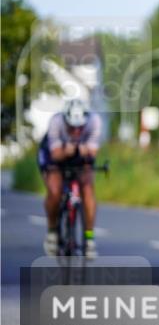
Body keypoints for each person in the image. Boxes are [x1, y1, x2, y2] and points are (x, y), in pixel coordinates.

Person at [38, 98, 103, 258]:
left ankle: (89, 239)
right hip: (55, 154)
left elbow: (93, 153)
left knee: (87, 188)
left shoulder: (94, 121)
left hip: (81, 155)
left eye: (80, 127)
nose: (76, 131)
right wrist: (66, 151)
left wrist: (81, 151)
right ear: (65, 120)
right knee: (54, 190)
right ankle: (52, 232)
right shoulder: (56, 122)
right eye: (72, 127)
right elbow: (56, 154)